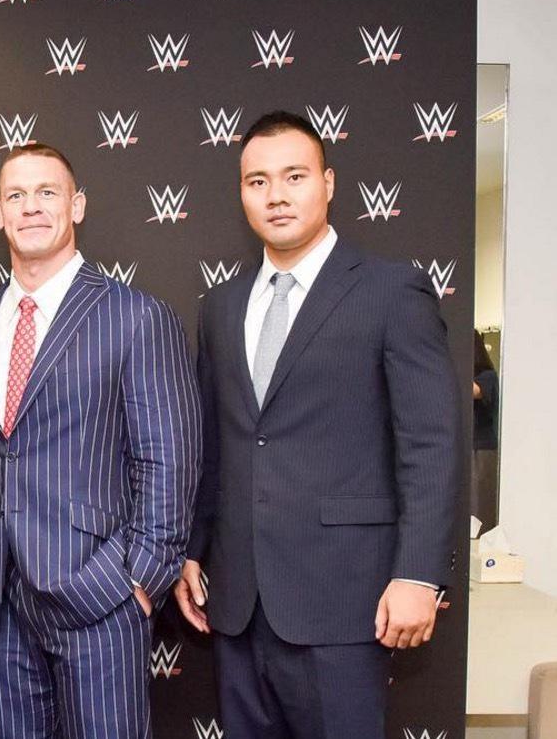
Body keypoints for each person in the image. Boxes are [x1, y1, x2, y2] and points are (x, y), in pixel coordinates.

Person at [175, 111, 461, 738]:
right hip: (238, 600)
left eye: (294, 176)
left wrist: (418, 574)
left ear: (328, 183)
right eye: (257, 181)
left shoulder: (393, 291)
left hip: (347, 600)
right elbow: (218, 443)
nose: (276, 195)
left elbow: (431, 444)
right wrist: (194, 549)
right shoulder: (220, 305)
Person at [0, 144, 201, 738]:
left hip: (103, 594)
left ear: (77, 205)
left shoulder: (135, 317)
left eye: (47, 193)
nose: (30, 207)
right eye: (16, 195)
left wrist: (138, 579)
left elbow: (169, 459)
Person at [472, 329, 500, 527]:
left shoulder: (488, 376)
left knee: (479, 507)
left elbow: (474, 391)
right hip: (470, 447)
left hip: (482, 449)